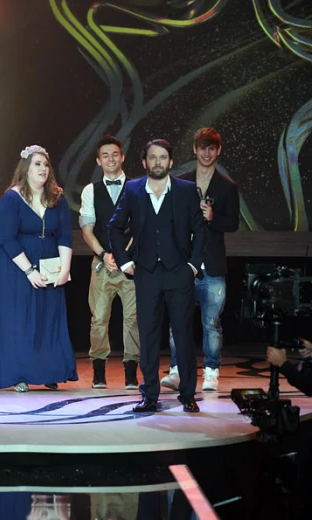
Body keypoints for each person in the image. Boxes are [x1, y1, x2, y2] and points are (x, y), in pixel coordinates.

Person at [109, 139, 206, 413]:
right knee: (149, 337)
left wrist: (193, 266)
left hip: (179, 273)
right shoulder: (133, 189)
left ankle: (188, 394)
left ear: (171, 161)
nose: (158, 162)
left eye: (163, 157)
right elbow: (114, 228)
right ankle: (149, 395)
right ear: (144, 162)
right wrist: (124, 261)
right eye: (153, 157)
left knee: (184, 336)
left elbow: (200, 230)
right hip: (147, 274)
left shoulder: (187, 191)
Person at [0, 145, 78, 392]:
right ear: (26, 168)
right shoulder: (12, 198)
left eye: (46, 164)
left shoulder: (57, 198)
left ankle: (48, 371)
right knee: (18, 321)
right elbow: (6, 238)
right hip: (16, 268)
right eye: (37, 164)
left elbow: (65, 238)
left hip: (49, 263)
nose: (43, 169)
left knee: (46, 319)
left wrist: (64, 269)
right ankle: (18, 374)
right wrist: (29, 271)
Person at [163, 127, 240, 392]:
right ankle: (176, 370)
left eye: (212, 148)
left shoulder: (228, 187)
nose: (206, 153)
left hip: (213, 266)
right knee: (177, 321)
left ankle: (211, 372)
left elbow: (233, 224)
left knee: (211, 324)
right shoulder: (181, 182)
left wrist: (212, 218)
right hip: (184, 265)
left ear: (218, 150)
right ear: (194, 150)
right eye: (202, 148)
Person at [79, 134, 140, 389]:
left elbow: (142, 227)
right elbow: (87, 228)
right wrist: (105, 255)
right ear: (98, 160)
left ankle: (130, 372)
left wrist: (124, 257)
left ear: (122, 156)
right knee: (99, 318)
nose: (111, 159)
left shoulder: (138, 187)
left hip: (132, 265)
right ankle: (99, 371)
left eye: (115, 154)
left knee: (133, 319)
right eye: (105, 155)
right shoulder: (90, 190)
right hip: (102, 264)